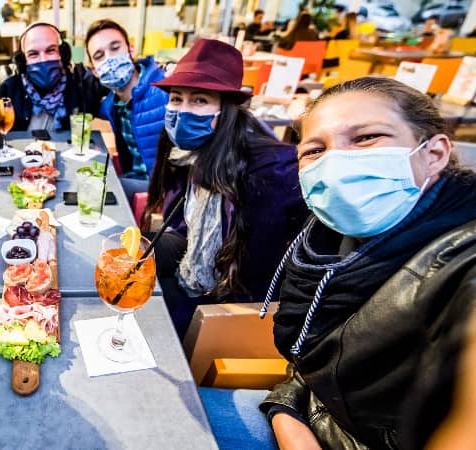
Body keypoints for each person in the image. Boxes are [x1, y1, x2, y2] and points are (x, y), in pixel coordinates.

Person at [258, 76, 476, 449]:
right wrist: (286, 413)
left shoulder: (461, 263)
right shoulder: (329, 245)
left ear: (434, 153)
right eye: (314, 150)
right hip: (311, 420)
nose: (336, 161)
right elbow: (315, 367)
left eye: (365, 138)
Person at [143, 38, 308, 338]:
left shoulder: (269, 175)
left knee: (144, 318)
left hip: (229, 306)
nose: (182, 111)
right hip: (195, 266)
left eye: (200, 100)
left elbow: (255, 278)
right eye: (176, 98)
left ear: (227, 110)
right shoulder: (187, 152)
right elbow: (184, 227)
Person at [85, 19, 167, 184]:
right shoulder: (111, 104)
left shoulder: (165, 91)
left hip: (161, 191)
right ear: (94, 70)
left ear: (131, 49)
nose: (109, 58)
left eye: (115, 48)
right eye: (99, 56)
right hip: (133, 179)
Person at [0, 22, 107, 131]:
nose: (43, 60)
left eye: (50, 50)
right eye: (33, 54)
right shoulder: (9, 88)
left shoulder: (82, 85)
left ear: (63, 54)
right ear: (22, 61)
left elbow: (117, 102)